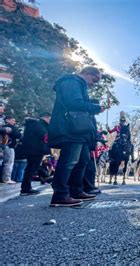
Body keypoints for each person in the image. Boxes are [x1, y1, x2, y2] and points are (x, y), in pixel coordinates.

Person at [48, 66, 105, 207]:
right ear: (87, 73)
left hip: (79, 130)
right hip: (70, 128)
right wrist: (95, 108)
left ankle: (76, 190)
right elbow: (73, 103)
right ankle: (60, 194)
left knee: (82, 160)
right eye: (94, 80)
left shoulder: (77, 84)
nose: (94, 84)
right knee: (69, 161)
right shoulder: (71, 81)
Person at [20, 112, 51, 195]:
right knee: (32, 168)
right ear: (47, 117)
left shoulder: (33, 125)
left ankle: (26, 187)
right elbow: (45, 137)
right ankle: (26, 188)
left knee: (31, 168)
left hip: (32, 149)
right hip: (36, 150)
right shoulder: (39, 125)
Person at [2, 116, 22, 184]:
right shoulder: (9, 127)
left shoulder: (3, 127)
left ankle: (5, 178)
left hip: (5, 146)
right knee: (9, 163)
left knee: (6, 163)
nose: (14, 122)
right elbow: (18, 135)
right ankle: (7, 178)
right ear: (7, 120)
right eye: (13, 120)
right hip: (9, 146)